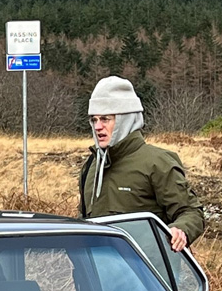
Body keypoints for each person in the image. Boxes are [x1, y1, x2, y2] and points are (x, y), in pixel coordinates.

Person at [79, 77, 205, 251]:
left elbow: (192, 212)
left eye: (105, 119)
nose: (98, 127)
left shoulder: (158, 163)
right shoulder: (91, 166)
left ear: (125, 120)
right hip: (96, 275)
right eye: (94, 120)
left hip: (147, 275)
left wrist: (180, 230)